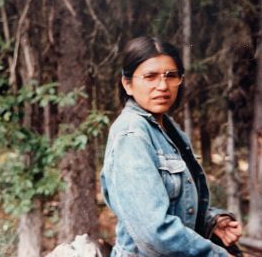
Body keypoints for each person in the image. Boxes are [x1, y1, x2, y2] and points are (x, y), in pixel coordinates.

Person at [100, 36, 242, 257]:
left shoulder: (166, 127)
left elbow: (177, 204)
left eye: (171, 76)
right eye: (150, 77)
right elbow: (153, 231)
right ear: (127, 84)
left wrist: (213, 221)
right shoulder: (132, 134)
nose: (162, 86)